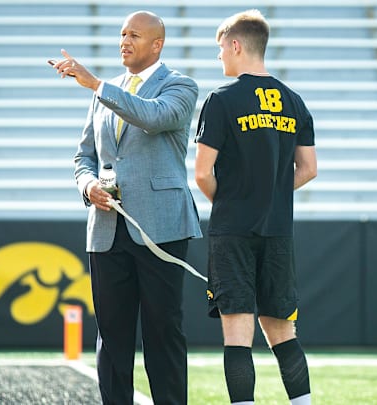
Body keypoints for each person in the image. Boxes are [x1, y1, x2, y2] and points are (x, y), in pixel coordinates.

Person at [52, 10, 201, 405]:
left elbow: (153, 117)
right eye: (121, 34)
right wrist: (88, 187)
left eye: (133, 34)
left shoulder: (181, 86)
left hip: (162, 227)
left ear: (157, 44)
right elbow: (83, 156)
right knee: (112, 337)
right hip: (105, 230)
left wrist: (96, 85)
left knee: (162, 333)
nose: (124, 41)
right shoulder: (106, 91)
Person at [194, 9, 318, 405]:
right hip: (278, 231)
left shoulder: (221, 99)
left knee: (237, 334)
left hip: (233, 232)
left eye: (220, 49)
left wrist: (233, 202)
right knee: (283, 333)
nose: (219, 58)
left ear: (235, 45)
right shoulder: (294, 101)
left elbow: (201, 173)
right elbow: (309, 169)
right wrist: (271, 195)